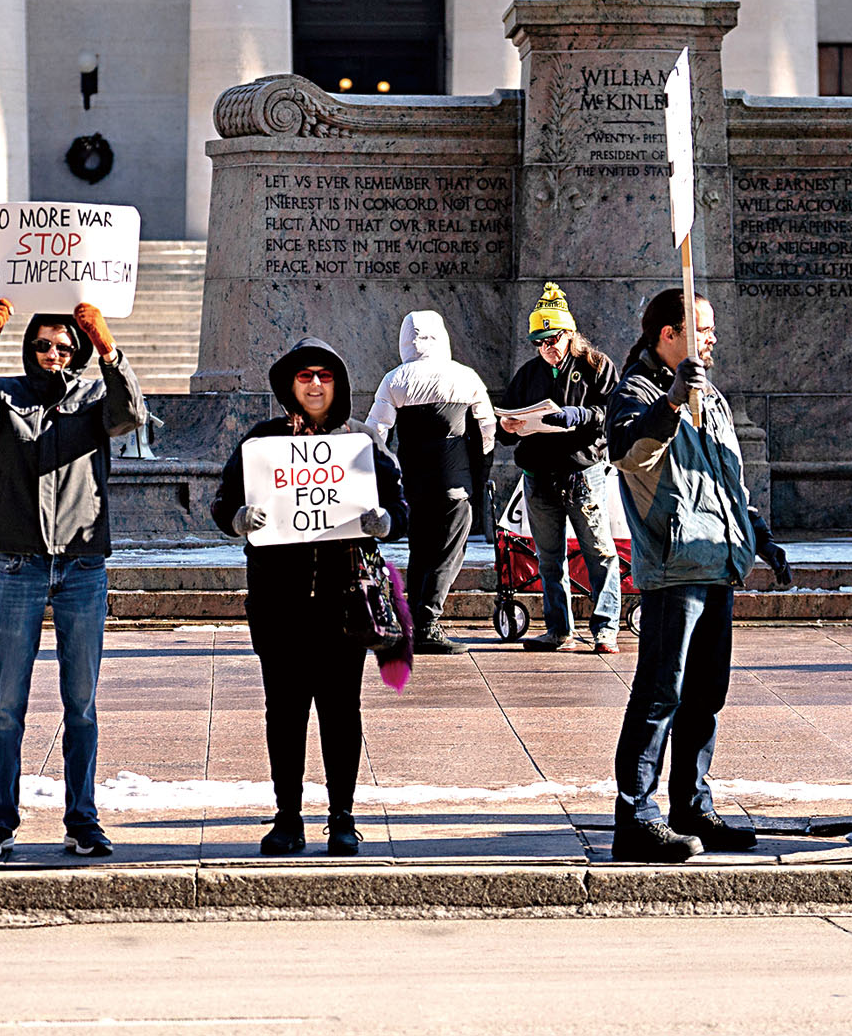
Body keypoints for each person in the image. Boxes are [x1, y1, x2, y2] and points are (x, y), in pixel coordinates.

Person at [0, 297, 147, 862]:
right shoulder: (6, 393)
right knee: (7, 704)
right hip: (19, 563)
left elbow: (132, 413)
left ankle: (82, 819)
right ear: (28, 349)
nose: (52, 354)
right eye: (42, 345)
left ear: (77, 351)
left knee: (80, 703)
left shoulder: (92, 396)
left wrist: (108, 345)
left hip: (82, 566)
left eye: (64, 346)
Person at [607, 288, 789, 863]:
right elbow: (627, 453)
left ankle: (691, 804)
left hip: (717, 559)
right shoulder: (636, 391)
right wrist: (671, 403)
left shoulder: (710, 396)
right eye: (702, 328)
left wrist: (757, 531)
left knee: (706, 694)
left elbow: (727, 478)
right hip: (672, 566)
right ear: (669, 334)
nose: (712, 338)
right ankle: (635, 816)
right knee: (660, 693)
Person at [214, 340, 406, 857]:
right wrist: (237, 520)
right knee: (285, 712)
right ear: (289, 386)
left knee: (342, 711)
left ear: (338, 384)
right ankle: (287, 817)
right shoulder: (262, 442)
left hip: (344, 606)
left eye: (324, 375)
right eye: (304, 376)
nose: (315, 384)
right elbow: (224, 500)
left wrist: (385, 521)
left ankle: (342, 818)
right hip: (280, 607)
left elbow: (399, 505)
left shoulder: (360, 441)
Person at [501, 283, 624, 655]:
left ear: (570, 334)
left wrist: (580, 415)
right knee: (549, 557)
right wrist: (508, 427)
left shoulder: (597, 367)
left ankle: (605, 629)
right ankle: (559, 630)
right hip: (538, 475)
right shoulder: (528, 374)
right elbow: (509, 418)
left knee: (598, 551)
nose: (546, 349)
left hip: (581, 473)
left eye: (552, 339)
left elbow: (615, 416)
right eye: (538, 342)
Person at [366, 311, 496, 655]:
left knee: (421, 552)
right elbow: (487, 431)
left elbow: (375, 434)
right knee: (448, 554)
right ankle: (427, 623)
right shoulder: (466, 377)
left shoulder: (394, 379)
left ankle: (414, 622)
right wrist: (480, 474)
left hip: (413, 485)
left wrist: (386, 478)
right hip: (457, 484)